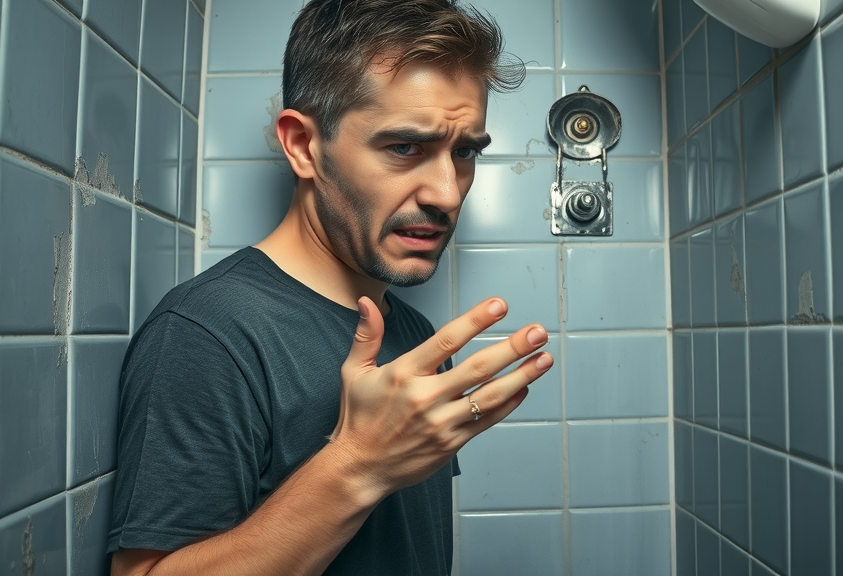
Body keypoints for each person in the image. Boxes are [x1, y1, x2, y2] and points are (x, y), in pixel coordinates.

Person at [107, 1, 547, 574]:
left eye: (464, 152)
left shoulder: (412, 334)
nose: (447, 191)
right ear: (303, 146)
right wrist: (358, 465)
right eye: (405, 147)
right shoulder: (209, 333)